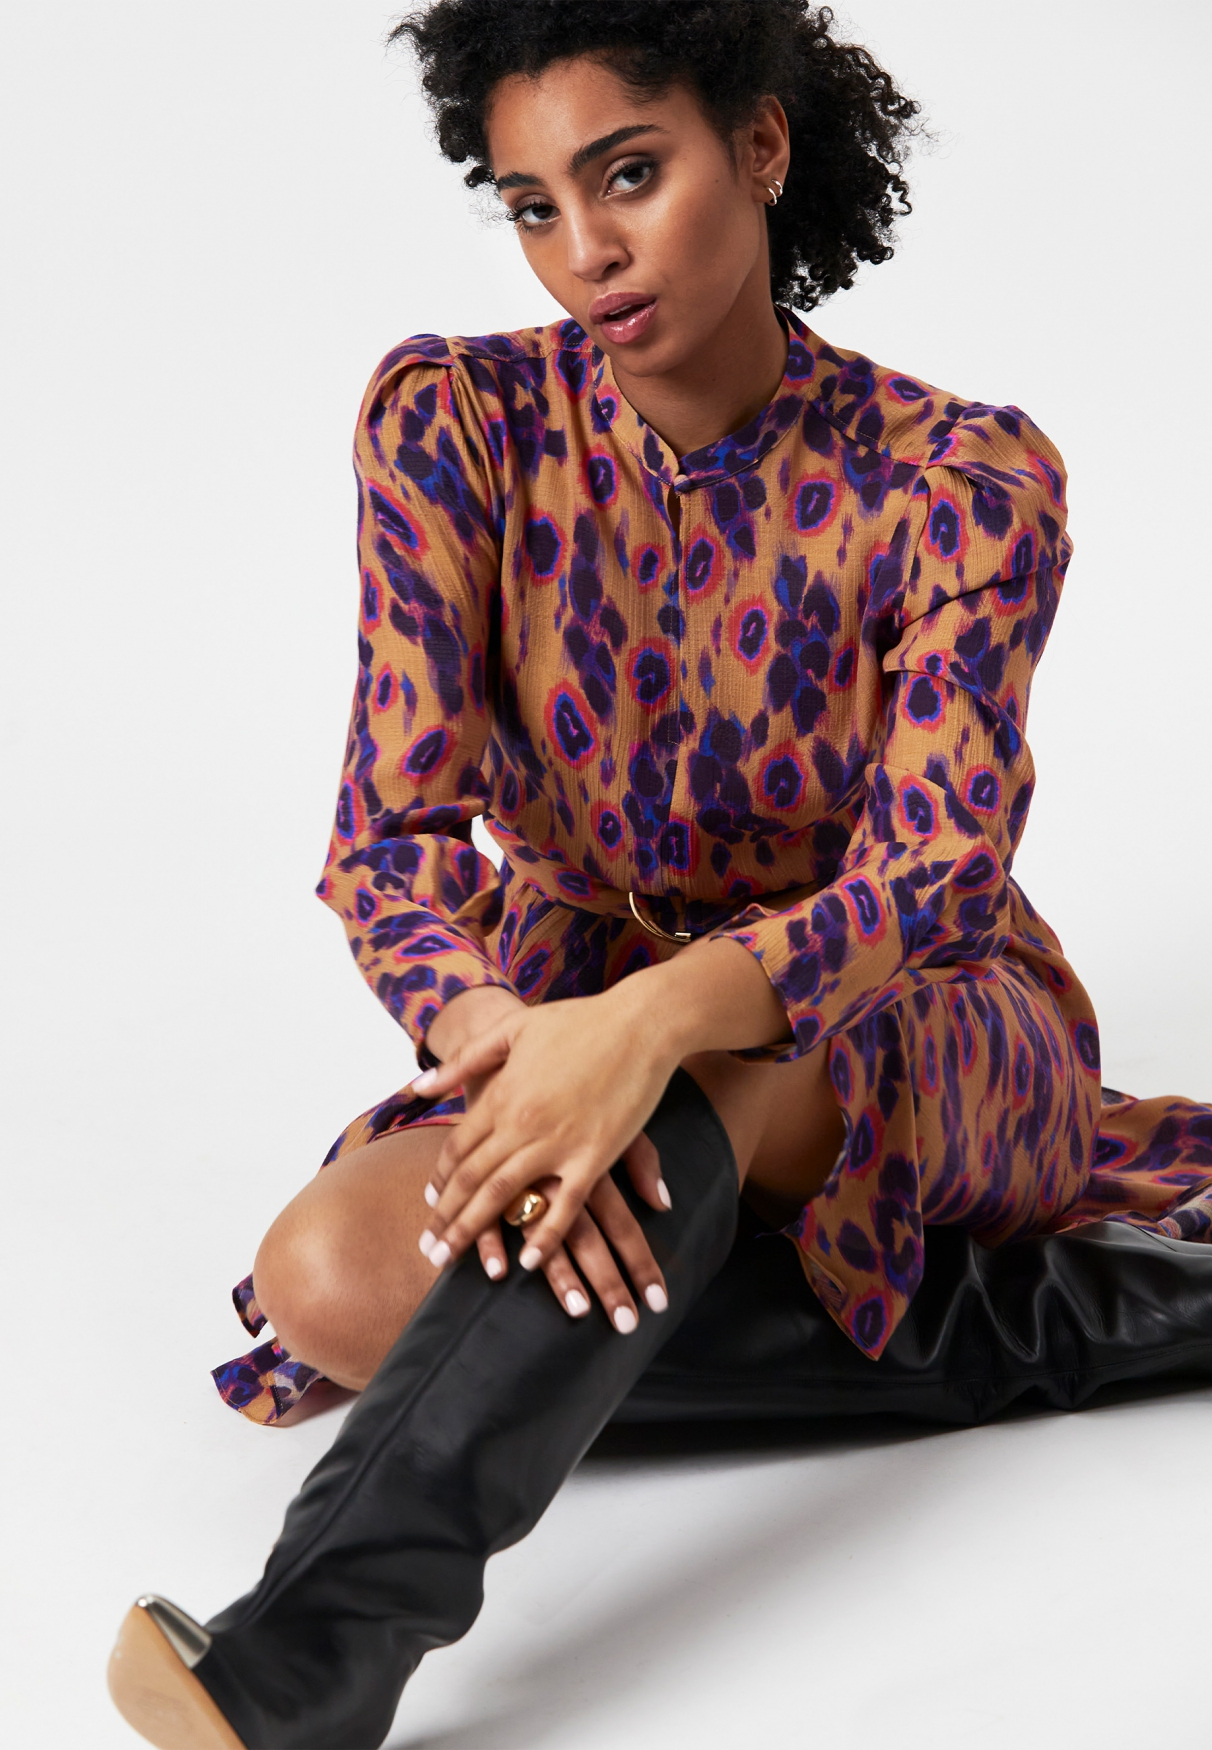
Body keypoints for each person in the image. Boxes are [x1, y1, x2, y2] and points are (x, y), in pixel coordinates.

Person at [106, 4, 1212, 1745]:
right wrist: (508, 1035)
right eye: (532, 204)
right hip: (561, 1008)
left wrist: (650, 1031)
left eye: (629, 174)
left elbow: (934, 869)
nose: (585, 250)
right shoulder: (456, 425)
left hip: (913, 1021)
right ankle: (1072, 1327)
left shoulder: (958, 480)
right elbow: (388, 838)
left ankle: (316, 1646)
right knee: (328, 1275)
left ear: (760, 146)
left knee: (690, 1086)